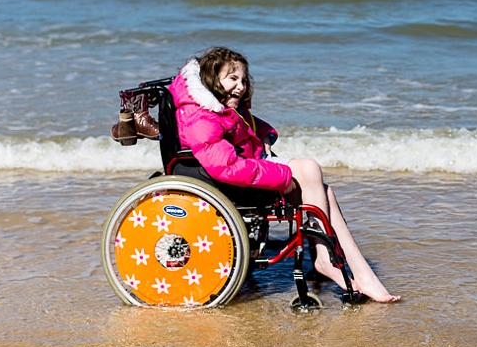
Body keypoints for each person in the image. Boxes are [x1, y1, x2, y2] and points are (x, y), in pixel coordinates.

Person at [168, 46, 400, 303]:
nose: (241, 86)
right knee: (309, 169)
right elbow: (225, 166)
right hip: (232, 181)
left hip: (249, 166)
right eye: (233, 79)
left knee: (324, 192)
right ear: (212, 79)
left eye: (244, 80)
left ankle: (361, 273)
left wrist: (265, 134)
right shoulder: (200, 114)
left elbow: (242, 124)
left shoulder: (217, 107)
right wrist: (281, 177)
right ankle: (326, 259)